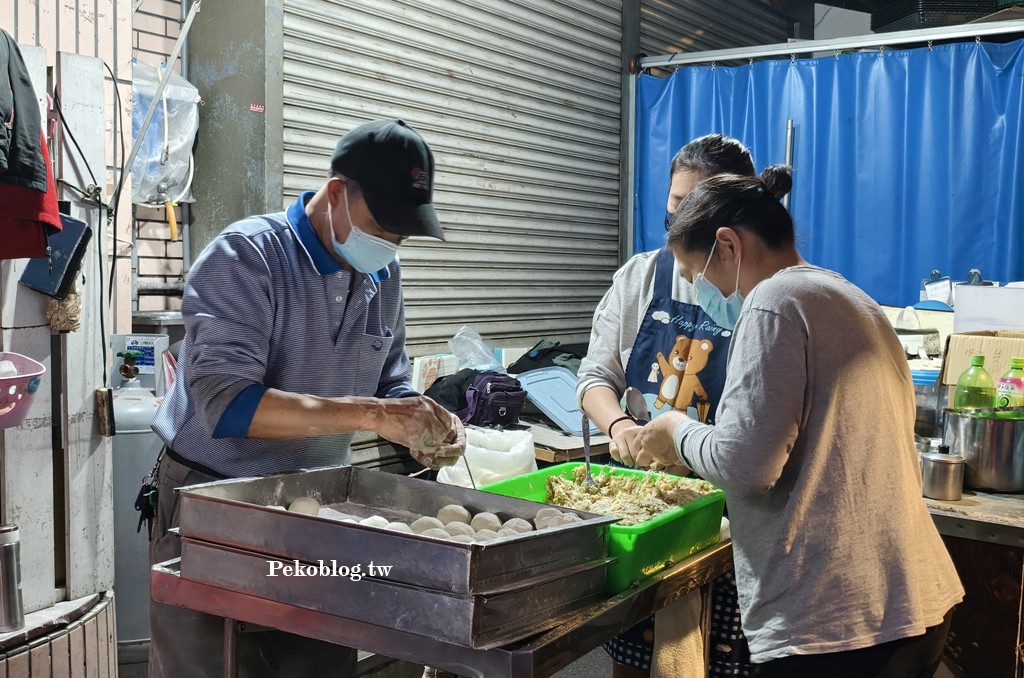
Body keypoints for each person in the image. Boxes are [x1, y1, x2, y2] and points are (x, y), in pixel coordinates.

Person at [148, 118, 466, 678]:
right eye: (383, 226)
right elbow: (228, 405)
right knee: (213, 663)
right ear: (338, 193)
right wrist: (375, 414)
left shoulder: (383, 276)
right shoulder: (247, 258)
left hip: (320, 512)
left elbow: (387, 378)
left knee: (317, 659)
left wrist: (416, 420)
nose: (390, 245)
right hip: (214, 501)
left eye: (402, 233)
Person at [635, 174, 964, 678]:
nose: (705, 295)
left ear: (727, 245)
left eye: (696, 275)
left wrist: (673, 430)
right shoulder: (851, 297)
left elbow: (745, 467)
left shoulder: (773, 303)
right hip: (912, 600)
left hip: (838, 627)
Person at [577, 134, 788, 677]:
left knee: (715, 661)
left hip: (727, 513)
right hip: (650, 503)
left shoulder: (763, 292)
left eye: (697, 205)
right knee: (635, 651)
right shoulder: (641, 276)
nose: (681, 217)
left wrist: (684, 437)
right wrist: (621, 425)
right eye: (675, 204)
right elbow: (595, 375)